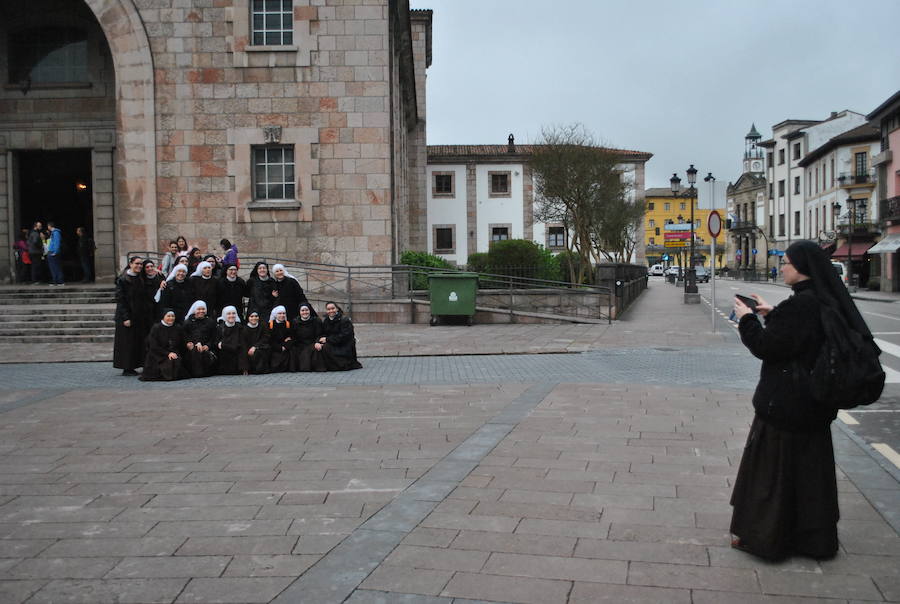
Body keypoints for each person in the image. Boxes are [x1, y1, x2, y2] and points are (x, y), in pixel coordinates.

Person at [729, 239, 862, 561]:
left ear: (801, 269)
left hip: (786, 407)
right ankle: (814, 540)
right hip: (813, 407)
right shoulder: (820, 301)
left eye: (786, 262)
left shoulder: (800, 306)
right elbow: (800, 338)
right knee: (809, 479)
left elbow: (767, 347)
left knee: (775, 479)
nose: (782, 266)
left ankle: (767, 538)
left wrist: (746, 319)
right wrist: (773, 313)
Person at [113, 256, 146, 376]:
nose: (139, 266)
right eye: (137, 263)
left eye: (141, 264)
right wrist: (126, 317)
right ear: (130, 264)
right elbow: (120, 299)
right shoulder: (123, 279)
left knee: (137, 341)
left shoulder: (140, 277)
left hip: (138, 315)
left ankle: (136, 364)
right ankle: (127, 367)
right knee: (127, 343)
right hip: (126, 316)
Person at [139, 309, 186, 382]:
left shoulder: (177, 327)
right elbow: (153, 346)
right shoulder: (156, 328)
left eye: (173, 316)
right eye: (168, 316)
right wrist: (167, 353)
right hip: (158, 353)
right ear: (163, 317)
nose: (171, 318)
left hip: (173, 352)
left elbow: (181, 342)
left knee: (176, 361)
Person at [316, 302, 362, 371]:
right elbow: (322, 333)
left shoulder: (344, 320)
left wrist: (327, 339)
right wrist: (318, 342)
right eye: (328, 309)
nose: (331, 311)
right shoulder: (326, 320)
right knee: (319, 347)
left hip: (344, 345)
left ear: (337, 309)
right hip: (333, 342)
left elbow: (344, 336)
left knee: (326, 347)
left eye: (333, 308)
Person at [182, 300, 217, 378]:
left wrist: (208, 345)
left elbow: (214, 337)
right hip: (192, 348)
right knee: (195, 352)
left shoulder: (210, 322)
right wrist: (188, 343)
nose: (201, 311)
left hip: (207, 348)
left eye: (203, 309)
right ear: (194, 310)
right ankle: (197, 373)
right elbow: (184, 336)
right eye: (199, 309)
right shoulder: (187, 322)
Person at [291, 304, 324, 372]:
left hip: (312, 343)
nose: (304, 312)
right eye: (302, 310)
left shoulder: (316, 321)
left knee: (313, 350)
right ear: (299, 312)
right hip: (300, 344)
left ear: (310, 311)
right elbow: (293, 335)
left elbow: (319, 334)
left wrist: (317, 342)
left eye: (306, 310)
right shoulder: (295, 322)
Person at [215, 305, 244, 375]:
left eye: (233, 313)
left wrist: (224, 345)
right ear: (224, 315)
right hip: (224, 362)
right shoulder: (219, 328)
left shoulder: (240, 327)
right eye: (229, 314)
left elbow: (239, 345)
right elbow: (216, 343)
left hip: (237, 361)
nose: (232, 315)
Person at [241, 310, 269, 374]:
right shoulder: (244, 329)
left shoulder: (262, 326)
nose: (254, 318)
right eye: (252, 316)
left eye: (256, 316)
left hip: (260, 347)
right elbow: (243, 345)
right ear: (248, 318)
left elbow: (265, 338)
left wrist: (255, 347)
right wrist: (245, 368)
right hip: (248, 351)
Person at [266, 305, 293, 373]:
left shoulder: (288, 324)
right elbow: (269, 340)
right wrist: (280, 347)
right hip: (275, 348)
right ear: (275, 315)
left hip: (285, 347)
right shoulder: (270, 325)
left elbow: (291, 338)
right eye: (279, 313)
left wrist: (285, 346)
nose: (282, 315)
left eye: (284, 313)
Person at [46, 221, 64, 286]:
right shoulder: (53, 233)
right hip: (52, 252)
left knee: (55, 267)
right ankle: (56, 280)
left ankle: (58, 281)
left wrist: (55, 252)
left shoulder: (56, 233)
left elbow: (57, 243)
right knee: (54, 267)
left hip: (53, 252)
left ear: (49, 226)